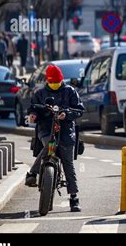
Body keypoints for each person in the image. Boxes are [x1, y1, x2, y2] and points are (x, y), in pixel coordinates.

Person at [25, 64, 85, 212]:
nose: (54, 85)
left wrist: (67, 114)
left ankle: (74, 198)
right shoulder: (40, 93)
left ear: (61, 80)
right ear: (47, 81)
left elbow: (79, 110)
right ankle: (33, 173)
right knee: (49, 145)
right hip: (46, 129)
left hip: (66, 131)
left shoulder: (70, 91)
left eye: (56, 82)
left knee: (68, 163)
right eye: (51, 82)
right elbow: (33, 108)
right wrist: (33, 115)